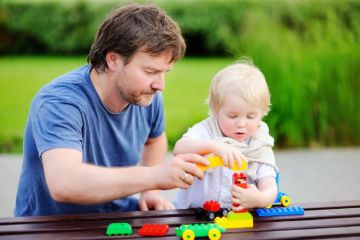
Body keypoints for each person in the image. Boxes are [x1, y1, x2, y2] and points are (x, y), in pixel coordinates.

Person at [14, 3, 208, 217]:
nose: (160, 85)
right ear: (113, 59)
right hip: (51, 226)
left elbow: (155, 139)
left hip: (116, 218)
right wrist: (154, 176)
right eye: (151, 71)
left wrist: (149, 191)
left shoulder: (148, 97)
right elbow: (65, 183)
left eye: (165, 72)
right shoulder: (59, 102)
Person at [173, 61, 278, 211]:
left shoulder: (259, 144)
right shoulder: (208, 130)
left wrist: (260, 199)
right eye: (232, 115)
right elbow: (179, 149)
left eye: (250, 116)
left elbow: (270, 187)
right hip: (194, 215)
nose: (241, 124)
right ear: (216, 110)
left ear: (262, 113)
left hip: (241, 221)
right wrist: (213, 146)